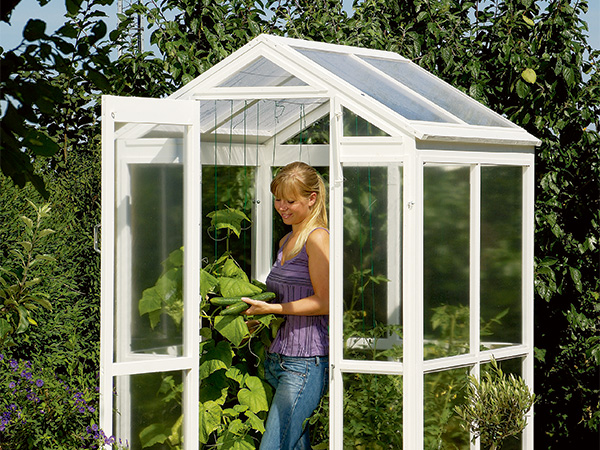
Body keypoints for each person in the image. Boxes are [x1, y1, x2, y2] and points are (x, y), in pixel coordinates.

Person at [242, 161, 329, 450]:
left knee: (273, 446)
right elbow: (281, 299)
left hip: (304, 363)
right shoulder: (286, 240)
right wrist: (257, 317)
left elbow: (324, 301)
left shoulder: (317, 239)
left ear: (311, 199)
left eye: (290, 200)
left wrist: (274, 310)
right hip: (276, 359)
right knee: (295, 444)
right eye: (278, 199)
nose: (282, 206)